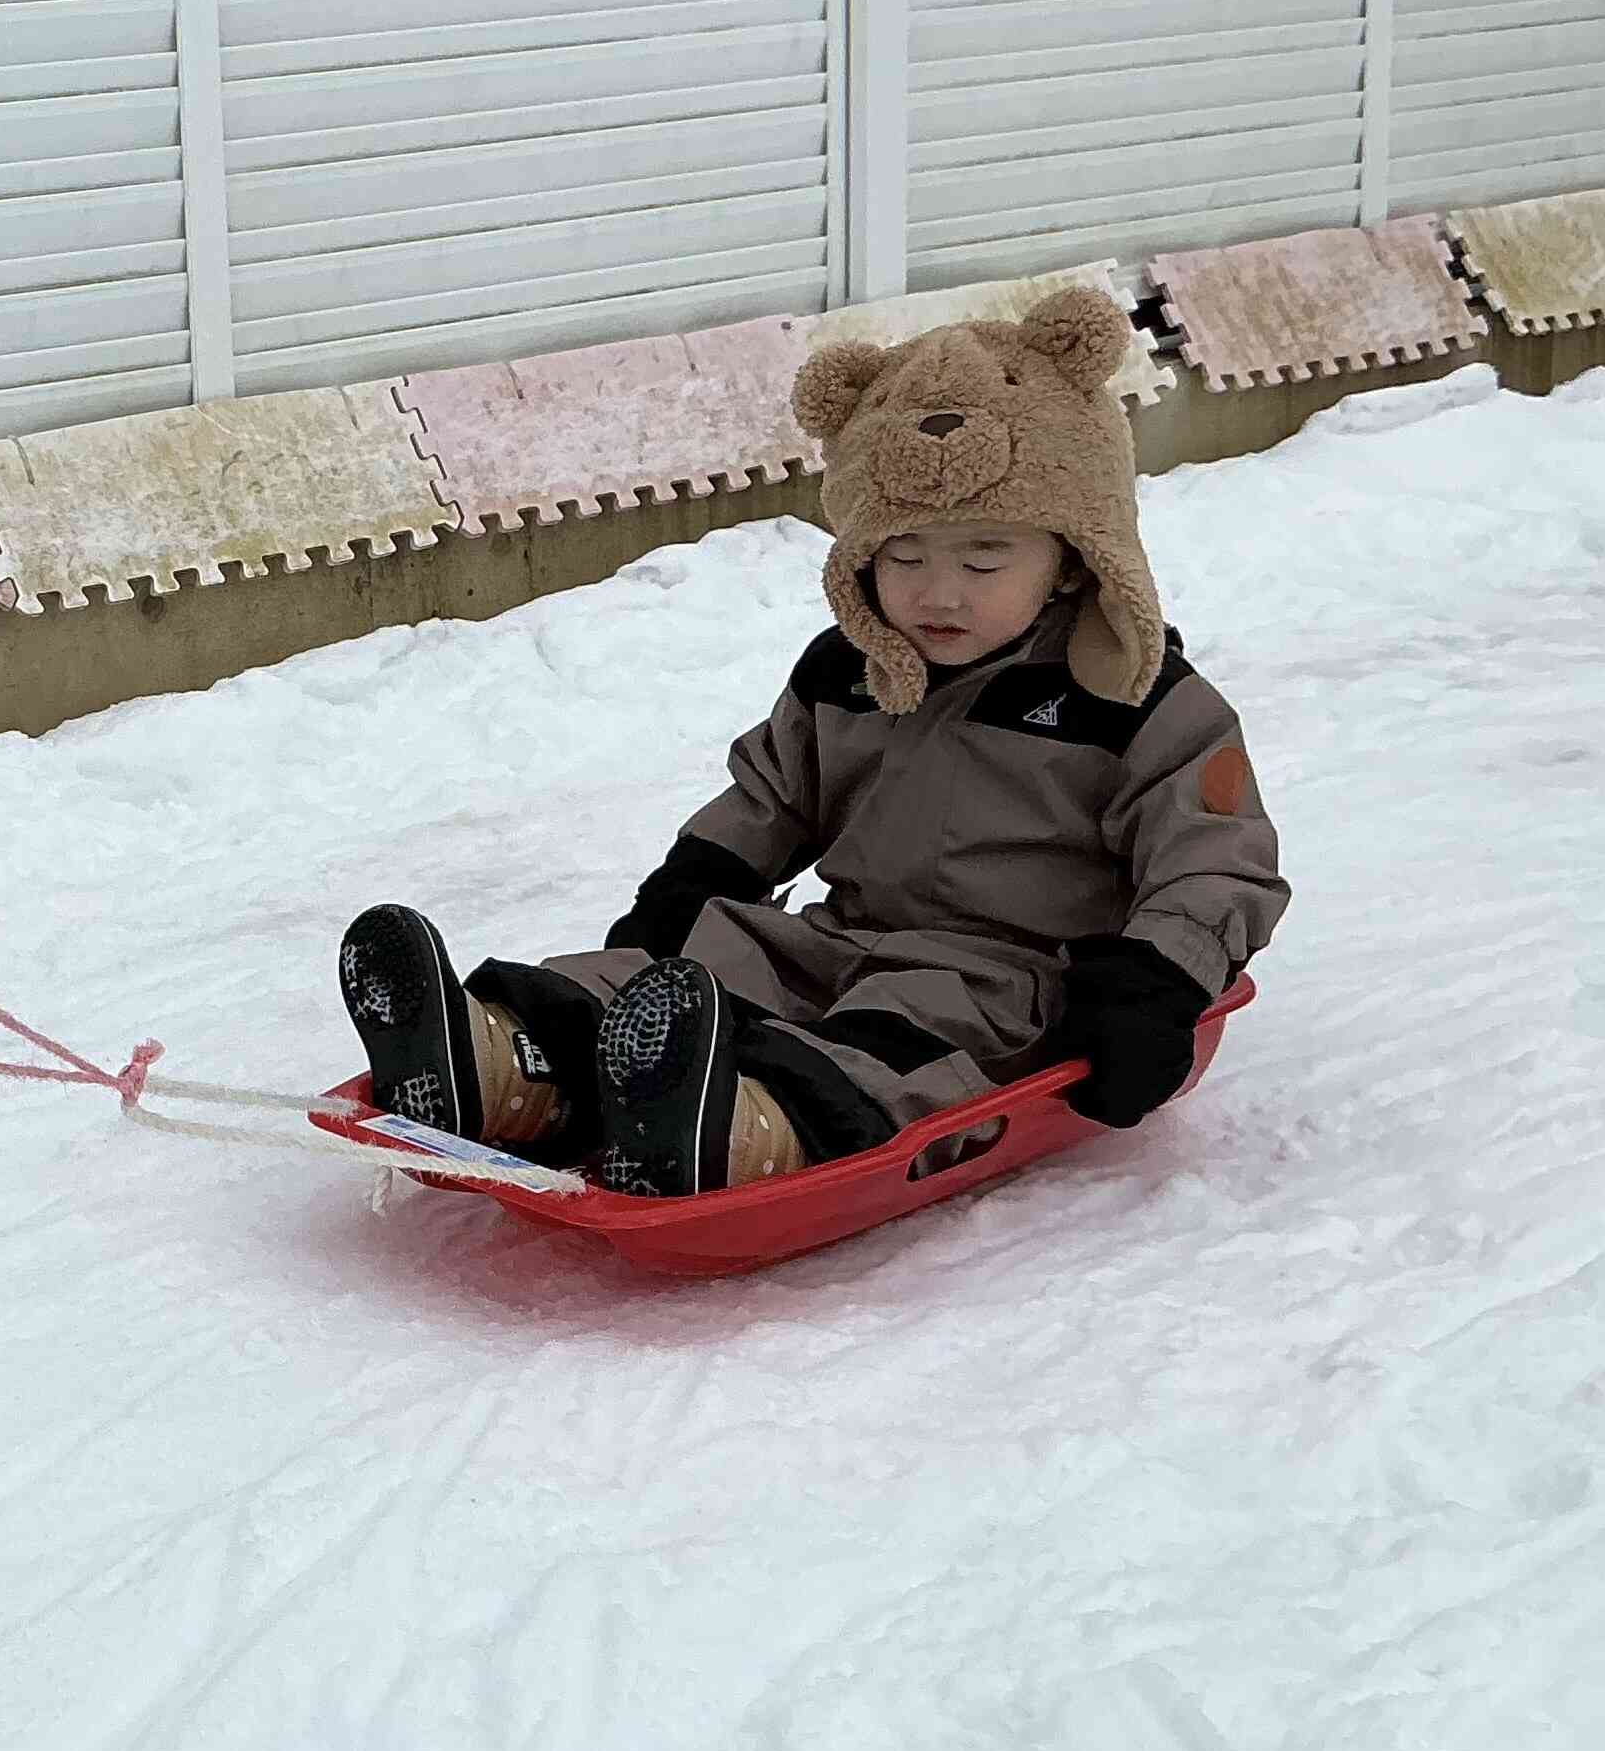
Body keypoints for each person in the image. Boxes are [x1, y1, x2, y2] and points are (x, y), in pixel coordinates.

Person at [341, 285, 1287, 1199]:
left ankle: (740, 1130)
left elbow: (1217, 865)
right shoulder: (850, 670)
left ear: (1075, 554)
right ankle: (499, 1060)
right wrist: (687, 891)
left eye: (984, 556)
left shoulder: (1131, 697)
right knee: (698, 967)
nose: (938, 592)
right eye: (901, 558)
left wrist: (1155, 983)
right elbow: (772, 796)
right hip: (841, 937)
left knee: (896, 1031)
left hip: (1008, 973)